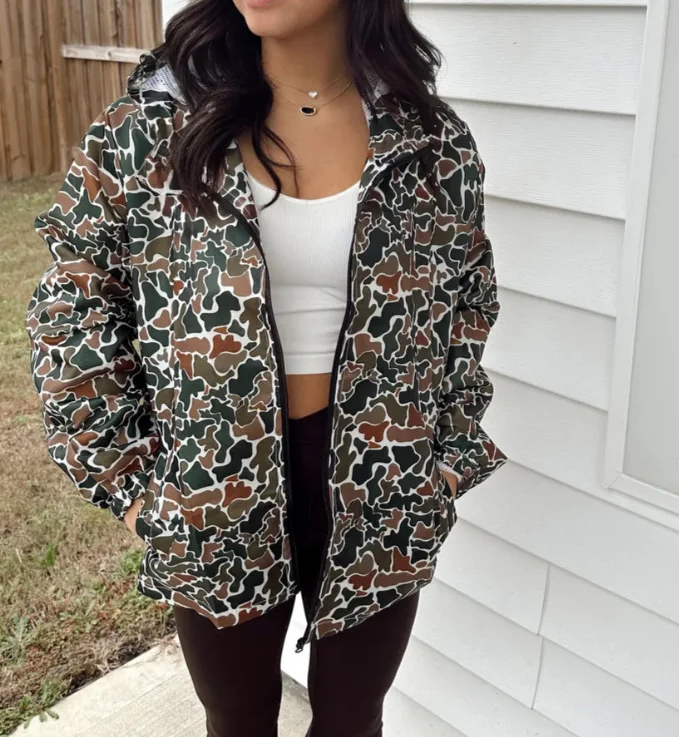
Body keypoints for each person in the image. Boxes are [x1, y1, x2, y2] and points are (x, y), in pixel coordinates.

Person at [25, 0, 507, 735]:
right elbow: (75, 305)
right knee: (238, 720)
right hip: (215, 482)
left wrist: (442, 462)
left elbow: (467, 305)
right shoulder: (152, 129)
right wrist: (130, 485)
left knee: (353, 720)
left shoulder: (432, 146)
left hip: (383, 480)